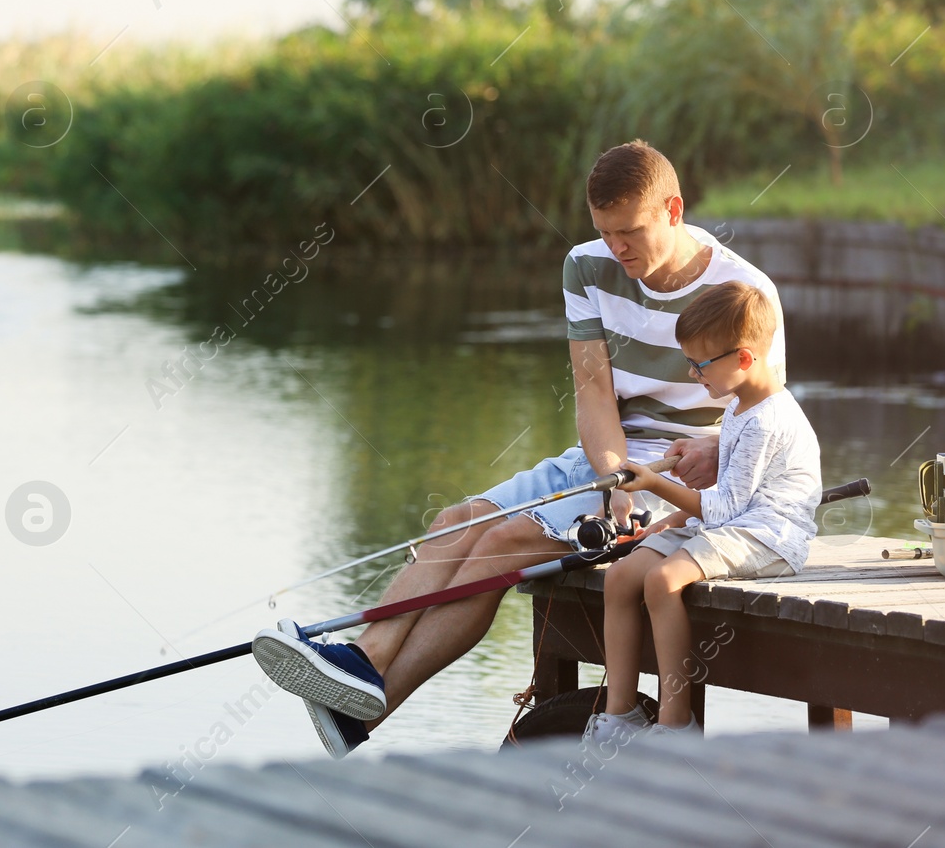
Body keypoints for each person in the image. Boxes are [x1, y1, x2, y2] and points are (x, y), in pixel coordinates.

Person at [251, 140, 787, 757]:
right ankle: (365, 666)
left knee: (501, 545)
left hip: (681, 486)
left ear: (674, 208)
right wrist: (613, 480)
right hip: (607, 461)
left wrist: (709, 449)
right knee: (457, 522)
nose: (618, 248)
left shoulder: (746, 290)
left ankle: (360, 699)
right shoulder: (584, 267)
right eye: (605, 232)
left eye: (630, 231)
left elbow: (767, 415)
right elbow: (594, 399)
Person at [585, 280, 821, 742]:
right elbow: (725, 506)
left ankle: (676, 724)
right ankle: (621, 714)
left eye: (698, 365)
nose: (694, 375)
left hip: (771, 537)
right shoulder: (739, 406)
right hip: (734, 526)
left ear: (745, 359)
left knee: (662, 579)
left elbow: (726, 508)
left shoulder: (765, 419)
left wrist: (656, 483)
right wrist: (670, 523)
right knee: (621, 577)